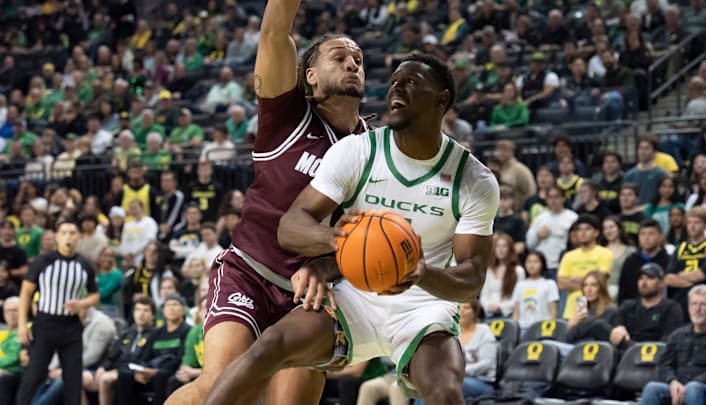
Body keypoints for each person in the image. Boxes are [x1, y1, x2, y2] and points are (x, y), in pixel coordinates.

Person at [206, 53, 498, 404]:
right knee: (270, 345)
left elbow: (472, 279)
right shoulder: (358, 151)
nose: (396, 89)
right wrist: (336, 240)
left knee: (446, 393)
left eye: (410, 82)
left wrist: (419, 272)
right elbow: (291, 226)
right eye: (393, 82)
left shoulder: (474, 179)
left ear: (442, 99)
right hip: (352, 295)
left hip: (423, 307)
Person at [165, 0, 371, 402]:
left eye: (359, 60)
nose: (352, 64)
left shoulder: (373, 149)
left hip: (312, 295)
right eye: (340, 57)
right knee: (219, 389)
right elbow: (275, 30)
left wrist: (326, 268)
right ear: (309, 76)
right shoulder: (286, 115)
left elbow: (363, 235)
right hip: (251, 272)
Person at [16, 220, 100, 405]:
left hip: (71, 326)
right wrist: (22, 324)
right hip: (45, 324)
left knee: (73, 379)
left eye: (72, 232)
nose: (68, 236)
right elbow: (26, 293)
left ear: (79, 237)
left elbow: (95, 296)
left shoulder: (85, 264)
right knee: (34, 375)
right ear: (57, 237)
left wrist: (81, 304)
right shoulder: (43, 261)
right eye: (64, 232)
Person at [639, 285, 706, 405]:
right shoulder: (677, 335)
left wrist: (688, 386)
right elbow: (664, 364)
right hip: (677, 386)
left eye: (703, 304)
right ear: (688, 307)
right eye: (694, 304)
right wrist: (672, 382)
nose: (697, 309)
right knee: (652, 388)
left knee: (693, 388)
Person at [416, 301, 496, 404]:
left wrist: (460, 372)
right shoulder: (451, 332)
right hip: (452, 378)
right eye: (459, 308)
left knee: (441, 385)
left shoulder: (484, 331)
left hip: (480, 381)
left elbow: (487, 364)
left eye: (466, 308)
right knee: (427, 384)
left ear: (475, 312)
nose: (461, 311)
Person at [117, 294, 191, 405]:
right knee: (125, 375)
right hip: (152, 369)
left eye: (175, 305)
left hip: (171, 370)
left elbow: (179, 358)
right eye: (168, 305)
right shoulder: (157, 332)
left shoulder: (187, 331)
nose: (171, 308)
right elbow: (146, 356)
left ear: (183, 310)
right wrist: (141, 371)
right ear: (163, 311)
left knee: (160, 376)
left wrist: (155, 372)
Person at [94, 296, 156, 405]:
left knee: (106, 380)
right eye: (138, 309)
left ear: (153, 315)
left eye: (146, 310)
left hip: (137, 372)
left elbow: (148, 360)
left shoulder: (156, 334)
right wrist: (103, 367)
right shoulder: (127, 333)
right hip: (119, 370)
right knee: (85, 378)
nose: (141, 314)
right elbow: (112, 356)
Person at [610, 263, 684, 350]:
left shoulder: (671, 308)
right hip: (627, 355)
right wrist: (618, 330)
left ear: (661, 283)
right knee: (598, 325)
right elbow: (616, 331)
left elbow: (670, 338)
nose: (644, 283)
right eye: (641, 279)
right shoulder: (628, 306)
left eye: (650, 278)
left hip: (657, 354)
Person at [664, 207, 706, 318]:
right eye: (689, 222)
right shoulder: (681, 248)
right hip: (681, 302)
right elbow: (668, 278)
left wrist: (680, 275)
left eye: (697, 222)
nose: (692, 226)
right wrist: (692, 283)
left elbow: (701, 275)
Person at [558, 215, 614, 318]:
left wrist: (575, 278)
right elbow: (561, 283)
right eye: (580, 229)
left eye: (587, 229)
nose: (583, 232)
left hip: (597, 309)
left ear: (596, 233)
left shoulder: (605, 253)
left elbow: (600, 279)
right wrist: (590, 284)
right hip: (571, 310)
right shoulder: (568, 256)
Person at [526, 186, 579, 276]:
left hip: (563, 265)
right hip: (542, 267)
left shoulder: (572, 218)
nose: (553, 200)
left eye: (556, 197)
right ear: (546, 200)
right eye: (550, 197)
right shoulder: (540, 218)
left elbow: (577, 243)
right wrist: (538, 235)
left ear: (563, 199)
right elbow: (529, 244)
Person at [564, 271, 617, 344]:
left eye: (594, 285)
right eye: (585, 285)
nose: (589, 290)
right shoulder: (582, 308)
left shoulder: (611, 310)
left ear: (601, 288)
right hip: (575, 349)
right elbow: (568, 339)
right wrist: (570, 325)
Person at [481, 233, 526, 318]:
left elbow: (519, 297)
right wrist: (488, 306)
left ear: (510, 249)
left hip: (509, 314)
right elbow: (484, 295)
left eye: (504, 246)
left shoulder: (518, 271)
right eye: (498, 246)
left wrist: (501, 307)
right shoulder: (489, 271)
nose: (500, 249)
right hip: (490, 314)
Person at [512, 251, 559, 333]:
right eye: (529, 261)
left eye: (535, 261)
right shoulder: (520, 285)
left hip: (542, 328)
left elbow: (553, 312)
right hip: (522, 327)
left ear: (542, 264)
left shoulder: (550, 284)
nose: (532, 265)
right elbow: (516, 312)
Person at [601, 216, 636, 300]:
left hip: (625, 294)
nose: (608, 231)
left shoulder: (631, 251)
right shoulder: (599, 252)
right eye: (605, 228)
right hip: (604, 295)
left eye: (611, 227)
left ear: (619, 229)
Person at [0, 297, 22, 404]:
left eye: (15, 310)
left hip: (16, 373)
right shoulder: (5, 332)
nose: (11, 314)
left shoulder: (28, 329)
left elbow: (14, 357)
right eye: (8, 311)